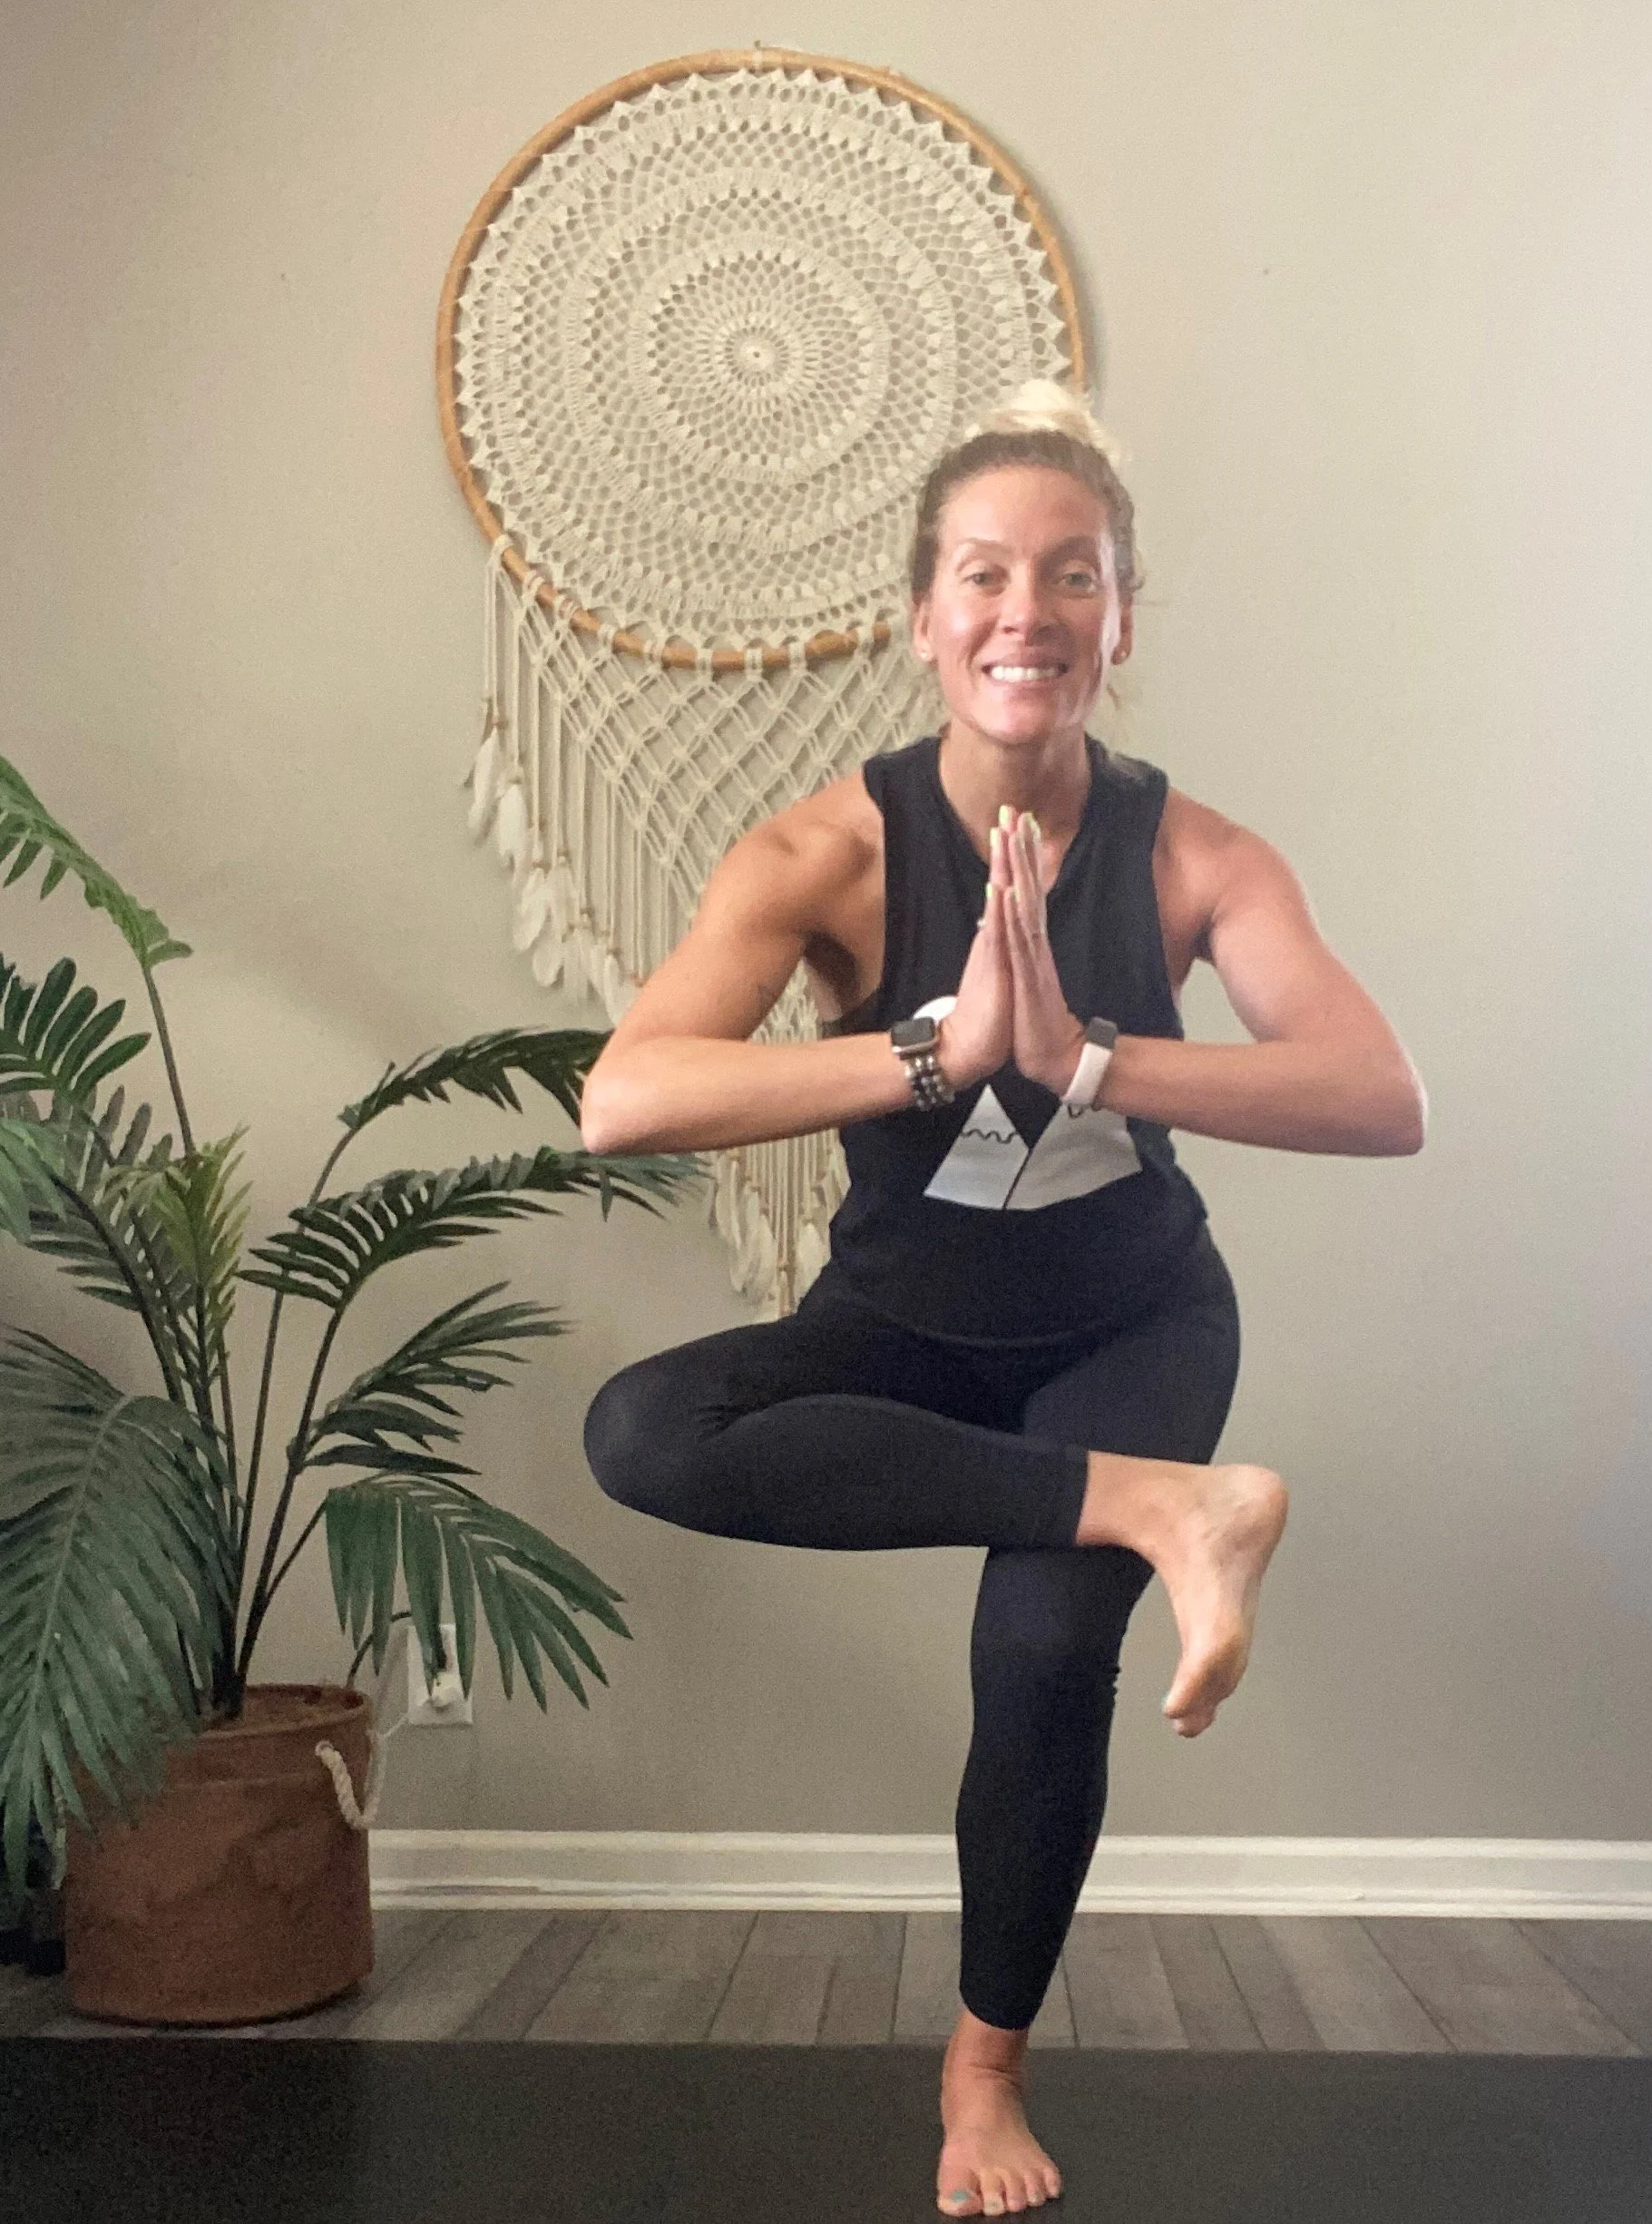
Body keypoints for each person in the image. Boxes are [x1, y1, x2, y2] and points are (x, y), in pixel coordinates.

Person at [579, 382, 1427, 2218]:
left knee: (1042, 1658)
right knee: (644, 1427)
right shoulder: (829, 853)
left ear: (1120, 620)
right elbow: (627, 1093)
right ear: (921, 614)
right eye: (982, 574)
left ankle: (982, 2079)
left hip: (1132, 1322)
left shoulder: (1196, 855)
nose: (1021, 613)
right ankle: (1158, 1505)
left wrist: (1090, 1056)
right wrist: (935, 1047)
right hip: (895, 1322)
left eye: (1070, 578)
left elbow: (1379, 1094)